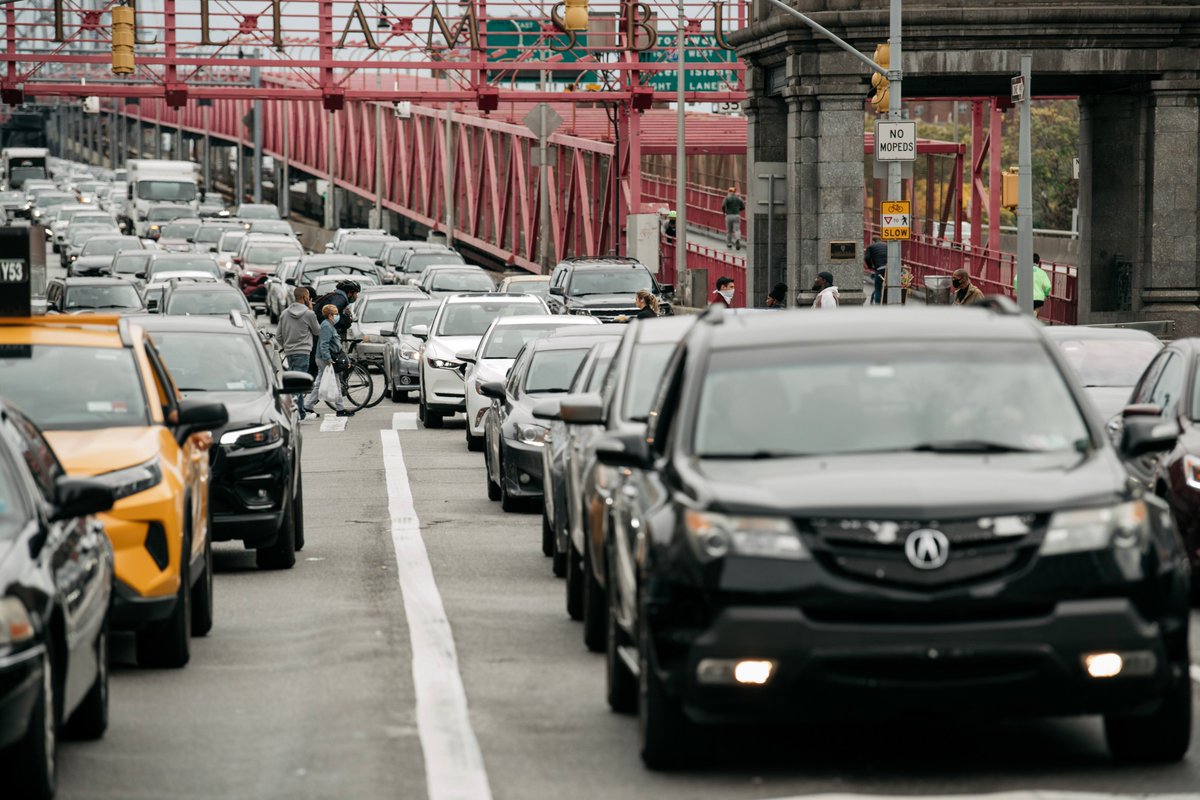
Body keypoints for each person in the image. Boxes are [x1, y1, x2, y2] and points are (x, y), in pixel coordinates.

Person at [276, 286, 321, 420]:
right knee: (299, 384)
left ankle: (300, 413)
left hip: (289, 351)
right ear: (306, 297)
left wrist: (286, 345)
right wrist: (311, 310)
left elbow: (278, 335)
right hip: (303, 351)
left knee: (295, 381)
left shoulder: (284, 313)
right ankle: (296, 413)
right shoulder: (309, 314)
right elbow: (317, 331)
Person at [303, 304, 355, 417]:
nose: (338, 316)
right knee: (336, 382)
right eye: (336, 314)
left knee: (319, 383)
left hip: (323, 358)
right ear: (330, 315)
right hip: (324, 359)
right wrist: (328, 359)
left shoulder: (329, 325)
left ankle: (308, 406)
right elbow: (324, 344)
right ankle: (340, 409)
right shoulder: (327, 326)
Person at [1014, 253, 1053, 317]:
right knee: (1036, 312)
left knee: (1026, 314)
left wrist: (1018, 291)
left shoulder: (1024, 271)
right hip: (1039, 298)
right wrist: (1045, 294)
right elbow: (1048, 286)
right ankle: (1034, 317)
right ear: (1038, 261)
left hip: (1026, 297)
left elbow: (1016, 280)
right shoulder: (1042, 273)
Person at [864, 238, 887, 305]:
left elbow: (867, 258)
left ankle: (877, 305)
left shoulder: (871, 247)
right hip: (888, 269)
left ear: (873, 241)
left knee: (878, 289)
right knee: (889, 287)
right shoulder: (886, 245)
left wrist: (870, 266)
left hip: (879, 269)